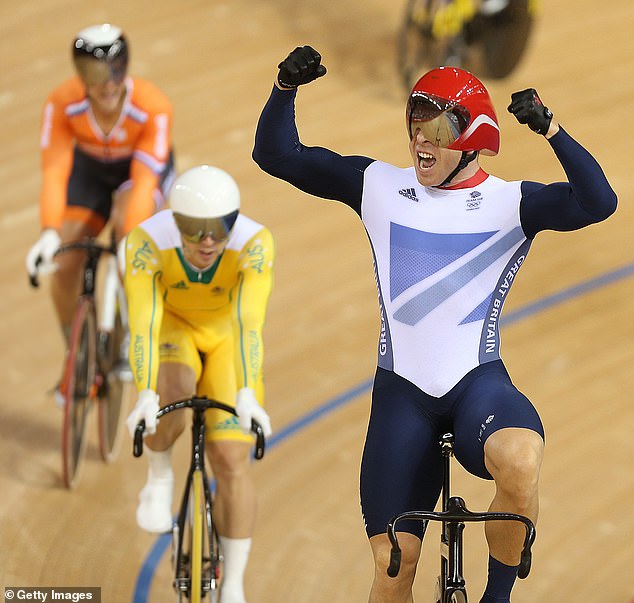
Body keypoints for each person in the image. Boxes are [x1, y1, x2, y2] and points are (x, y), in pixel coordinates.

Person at [252, 46, 617, 603]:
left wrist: (554, 131)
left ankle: (497, 599)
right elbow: (276, 154)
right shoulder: (376, 186)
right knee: (394, 566)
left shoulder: (510, 204)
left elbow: (600, 202)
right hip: (403, 396)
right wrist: (284, 88)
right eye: (414, 125)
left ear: (473, 137)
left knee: (520, 461)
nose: (422, 140)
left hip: (478, 386)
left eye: (438, 128)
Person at [123, 165, 274, 603]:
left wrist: (246, 393)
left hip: (227, 337)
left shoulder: (254, 243)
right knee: (170, 404)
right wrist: (146, 396)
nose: (208, 241)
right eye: (194, 230)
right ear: (174, 221)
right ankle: (157, 477)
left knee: (230, 459)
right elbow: (144, 327)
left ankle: (234, 584)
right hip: (174, 331)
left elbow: (250, 323)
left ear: (235, 220)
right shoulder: (146, 243)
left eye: (220, 228)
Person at [25, 23, 175, 390]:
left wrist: (129, 242)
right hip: (90, 172)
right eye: (96, 74)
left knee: (131, 235)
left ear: (127, 67)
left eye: (117, 70)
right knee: (64, 263)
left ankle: (132, 335)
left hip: (138, 175)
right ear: (80, 75)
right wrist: (48, 231)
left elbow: (143, 182)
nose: (108, 84)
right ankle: (76, 354)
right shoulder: (62, 103)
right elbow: (55, 170)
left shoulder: (152, 106)